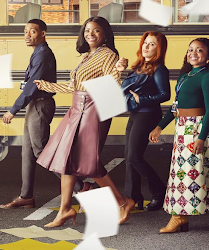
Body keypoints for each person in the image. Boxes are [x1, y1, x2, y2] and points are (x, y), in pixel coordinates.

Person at [34, 16, 135, 227]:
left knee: (89, 163)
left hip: (93, 108)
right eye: (87, 30)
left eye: (96, 30)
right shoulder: (87, 56)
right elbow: (74, 87)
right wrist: (47, 85)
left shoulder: (108, 55)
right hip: (77, 107)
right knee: (67, 159)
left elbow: (112, 84)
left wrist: (119, 69)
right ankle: (65, 209)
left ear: (105, 34)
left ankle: (123, 202)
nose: (90, 34)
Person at [149, 38, 209, 233]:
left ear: (208, 57)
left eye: (199, 50)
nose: (193, 53)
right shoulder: (184, 76)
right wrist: (159, 127)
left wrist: (201, 138)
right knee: (199, 170)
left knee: (187, 174)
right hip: (181, 128)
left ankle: (178, 216)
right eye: (190, 50)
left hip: (197, 128)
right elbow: (175, 108)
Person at [0, 19, 84, 209]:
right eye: (25, 31)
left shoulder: (43, 54)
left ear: (43, 33)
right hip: (34, 106)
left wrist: (13, 110)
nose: (27, 35)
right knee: (27, 152)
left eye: (32, 32)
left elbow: (32, 86)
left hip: (39, 105)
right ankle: (26, 196)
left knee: (41, 151)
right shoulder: (38, 52)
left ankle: (81, 187)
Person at [118, 31, 170, 211]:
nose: (146, 46)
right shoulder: (139, 66)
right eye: (145, 43)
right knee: (129, 157)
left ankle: (159, 192)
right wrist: (119, 71)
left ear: (159, 48)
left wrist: (142, 99)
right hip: (135, 114)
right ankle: (133, 197)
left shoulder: (159, 68)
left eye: (152, 44)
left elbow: (165, 94)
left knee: (134, 156)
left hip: (147, 114)